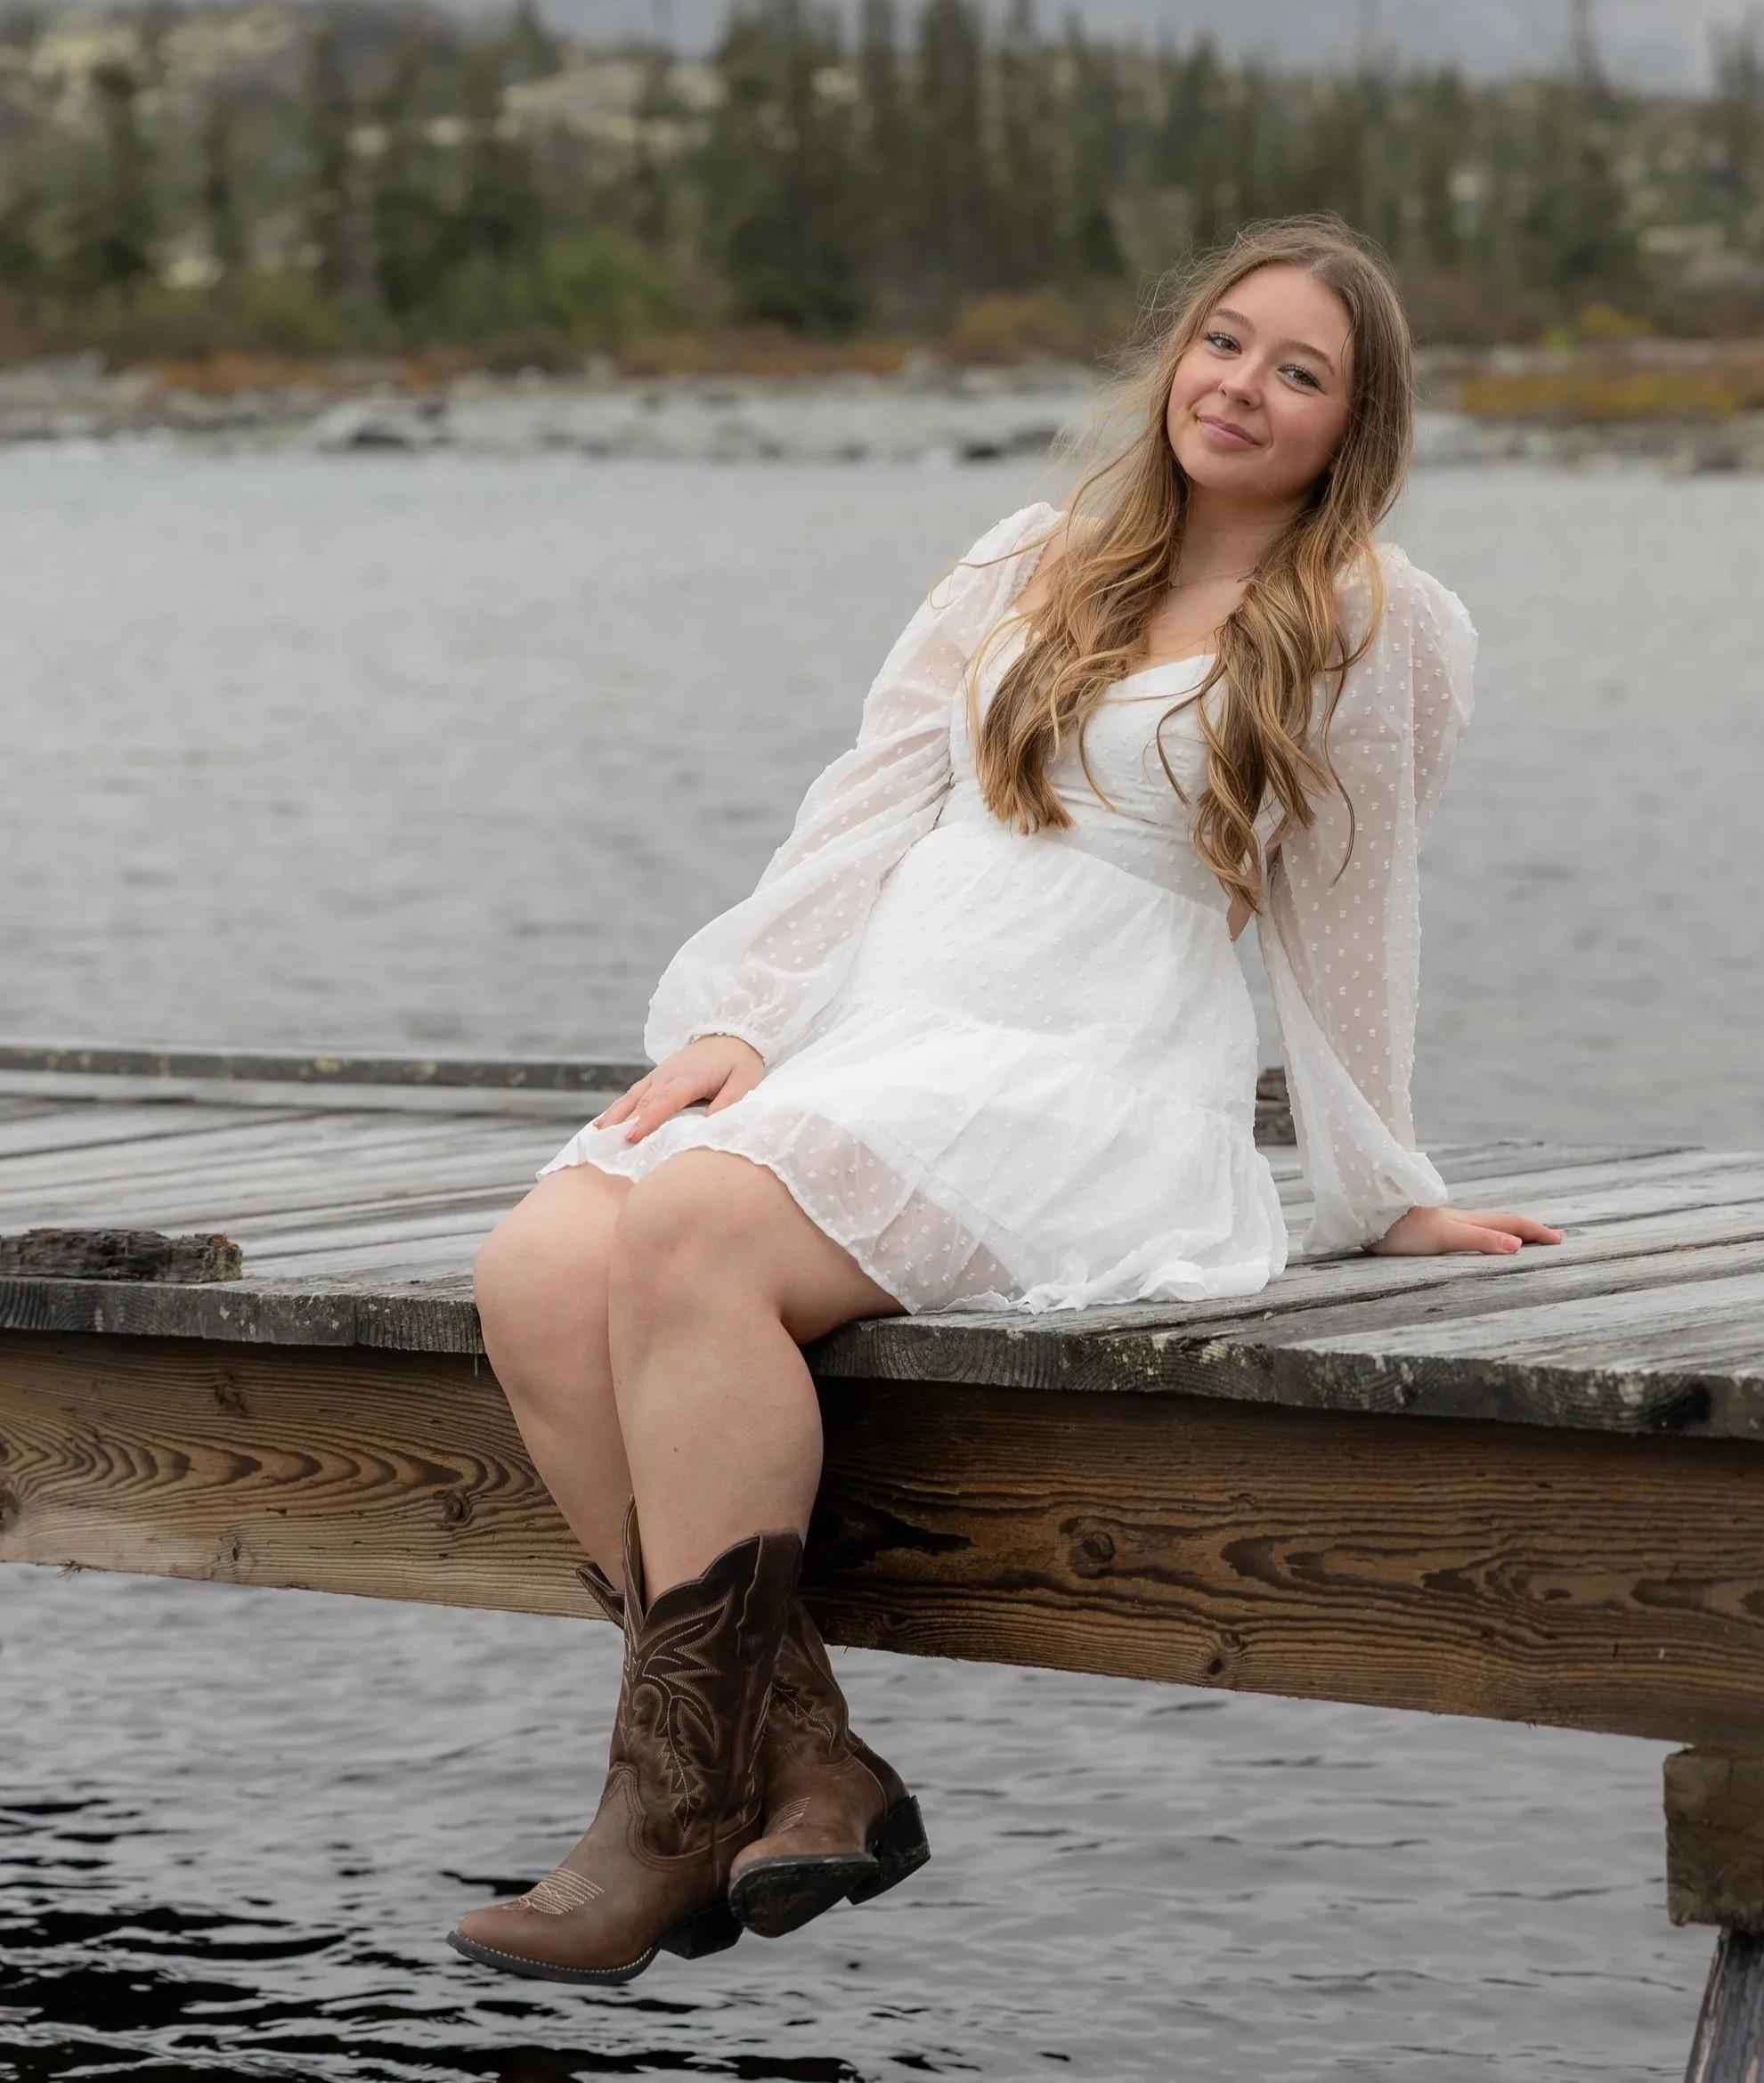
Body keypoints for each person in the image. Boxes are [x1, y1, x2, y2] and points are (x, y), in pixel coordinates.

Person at [451, 215, 1561, 1987]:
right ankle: (807, 1758)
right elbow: (865, 807)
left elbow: (1352, 920)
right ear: (1172, 354)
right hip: (885, 1015)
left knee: (690, 1233)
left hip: (1083, 1057)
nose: (1243, 386)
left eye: (1300, 371)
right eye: (1224, 341)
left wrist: (1377, 1178)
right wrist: (746, 1020)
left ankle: (657, 1816)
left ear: (1353, 424)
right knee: (531, 1262)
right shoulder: (1023, 559)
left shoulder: (1372, 621)